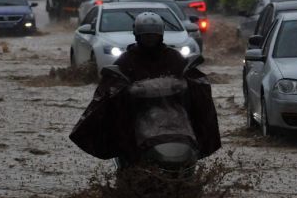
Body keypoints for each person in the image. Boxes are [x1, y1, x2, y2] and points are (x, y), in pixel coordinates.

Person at [70, 12, 220, 163]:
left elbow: (193, 80)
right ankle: (128, 162)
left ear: (160, 35)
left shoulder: (173, 57)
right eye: (146, 35)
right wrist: (126, 92)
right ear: (137, 36)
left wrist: (188, 85)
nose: (150, 39)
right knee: (124, 138)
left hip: (175, 117)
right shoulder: (127, 59)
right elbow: (110, 87)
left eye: (153, 35)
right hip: (137, 116)